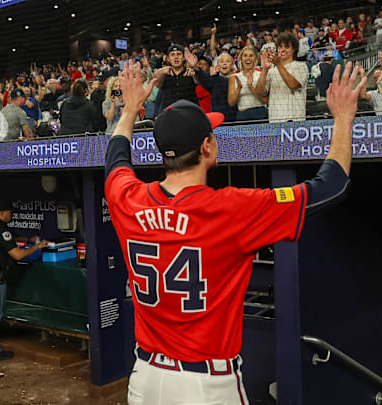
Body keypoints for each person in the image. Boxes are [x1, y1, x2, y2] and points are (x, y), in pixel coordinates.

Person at [106, 60, 363, 404]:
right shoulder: (232, 208)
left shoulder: (128, 199)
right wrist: (344, 118)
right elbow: (330, 186)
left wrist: (130, 110)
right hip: (205, 386)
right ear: (207, 147)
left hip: (145, 380)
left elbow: (116, 158)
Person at [0, 201, 48, 360]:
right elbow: (18, 255)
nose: (11, 215)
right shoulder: (1, 230)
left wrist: (28, 238)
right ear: (2, 213)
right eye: (10, 213)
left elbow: (7, 238)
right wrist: (37, 247)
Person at [257, 32, 309, 122]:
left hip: (295, 119)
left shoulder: (301, 66)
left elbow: (293, 85)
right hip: (275, 120)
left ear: (294, 49)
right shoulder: (272, 70)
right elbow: (260, 91)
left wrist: (278, 64)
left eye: (287, 47)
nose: (283, 50)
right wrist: (265, 69)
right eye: (280, 47)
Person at [191, 51, 237, 122]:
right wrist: (196, 67)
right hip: (218, 120)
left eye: (227, 61)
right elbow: (205, 79)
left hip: (234, 120)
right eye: (221, 62)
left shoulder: (238, 78)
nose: (224, 63)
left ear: (232, 65)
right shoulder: (214, 80)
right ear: (217, 66)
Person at [228, 46, 269, 122]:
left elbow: (266, 101)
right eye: (245, 55)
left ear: (255, 59)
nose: (248, 58)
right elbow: (231, 103)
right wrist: (239, 88)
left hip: (261, 113)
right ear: (241, 59)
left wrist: (251, 87)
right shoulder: (234, 77)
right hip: (243, 115)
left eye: (251, 55)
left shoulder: (262, 74)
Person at [153, 44, 199, 109]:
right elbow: (158, 85)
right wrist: (161, 72)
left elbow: (198, 82)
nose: (176, 57)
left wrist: (195, 72)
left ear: (183, 58)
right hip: (169, 112)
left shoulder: (190, 72)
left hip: (188, 112)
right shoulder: (164, 74)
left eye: (179, 54)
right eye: (172, 55)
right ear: (168, 59)